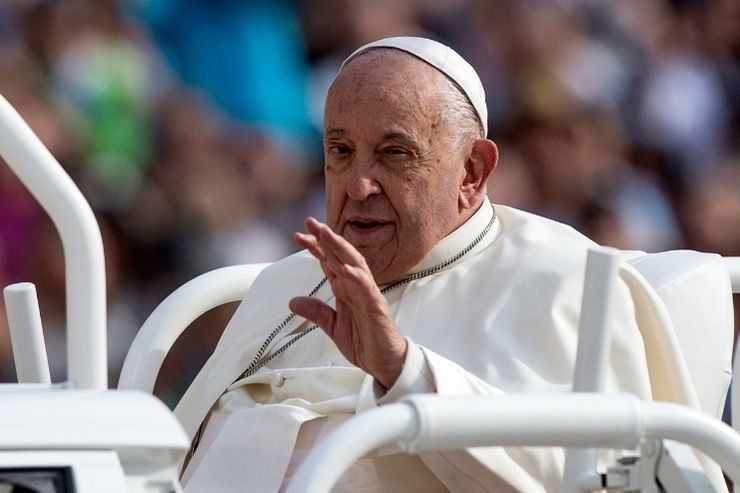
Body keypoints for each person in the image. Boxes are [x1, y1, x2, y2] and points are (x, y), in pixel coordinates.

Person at [173, 37, 654, 492]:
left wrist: (405, 371)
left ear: (472, 171)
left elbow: (595, 473)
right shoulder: (291, 279)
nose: (358, 185)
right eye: (340, 151)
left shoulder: (564, 281)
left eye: (394, 153)